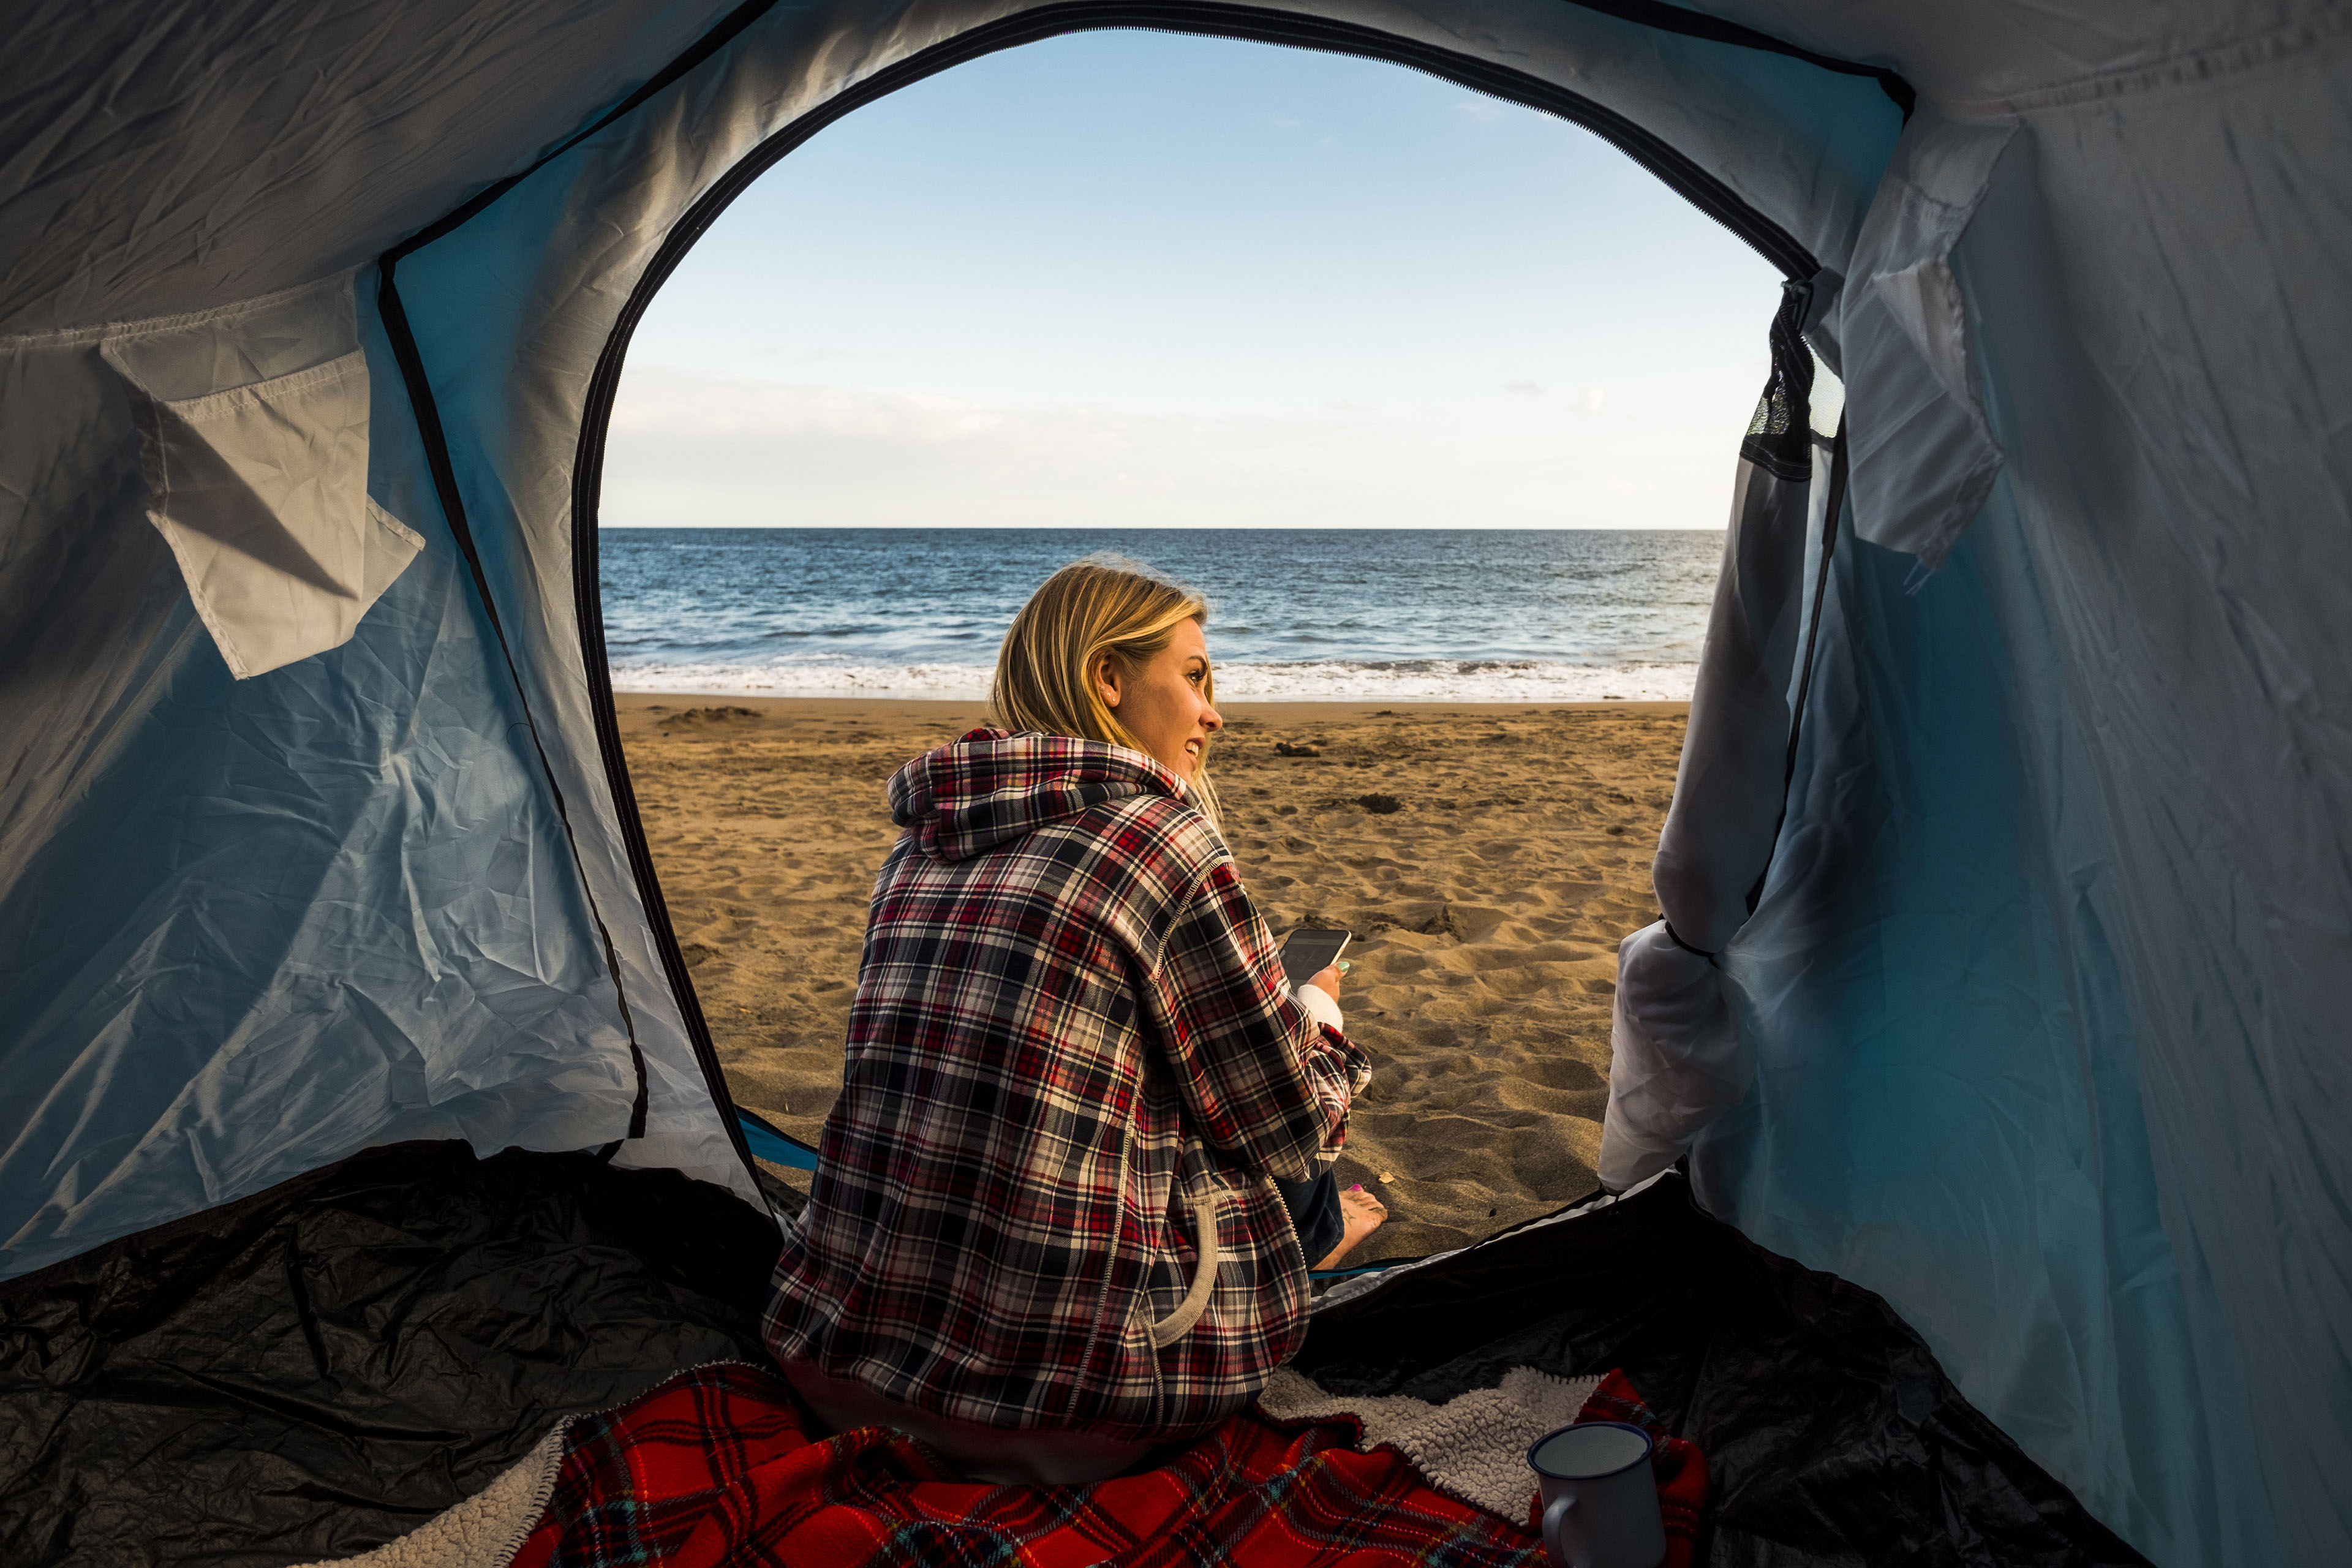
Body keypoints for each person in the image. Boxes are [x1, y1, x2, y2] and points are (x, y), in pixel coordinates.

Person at [763, 556, 1384, 1484]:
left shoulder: (918, 847)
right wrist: (1320, 1007)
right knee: (1303, 1162)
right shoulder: (1159, 839)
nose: (1215, 713)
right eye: (1197, 677)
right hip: (1070, 1402)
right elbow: (1289, 1122)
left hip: (837, 1357)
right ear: (1109, 678)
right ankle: (1330, 1229)